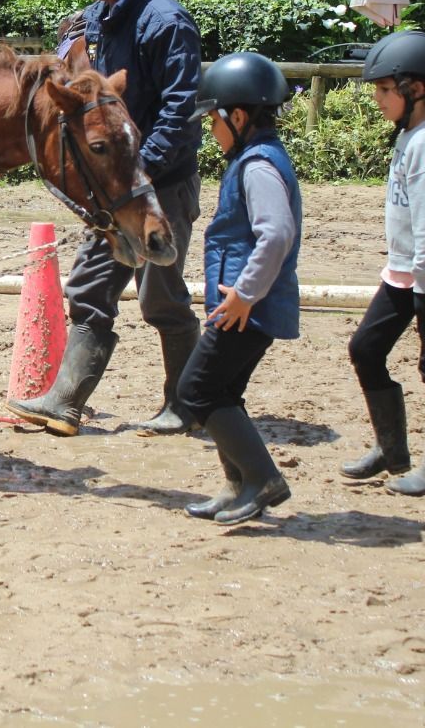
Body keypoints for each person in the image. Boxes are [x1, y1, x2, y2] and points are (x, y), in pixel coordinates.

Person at [7, 0, 203, 436]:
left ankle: (188, 403)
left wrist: (138, 172)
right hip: (115, 185)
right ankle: (65, 402)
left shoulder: (167, 22)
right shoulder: (95, 19)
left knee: (160, 293)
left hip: (158, 182)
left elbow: (181, 111)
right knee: (91, 284)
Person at [341, 30, 425, 495]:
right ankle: (392, 450)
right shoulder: (410, 136)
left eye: (383, 89)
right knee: (366, 349)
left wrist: (423, 288)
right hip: (406, 272)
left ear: (414, 90)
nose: (377, 99)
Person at [177, 53, 300, 525]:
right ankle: (238, 483)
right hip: (244, 305)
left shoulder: (257, 166)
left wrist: (245, 293)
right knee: (223, 391)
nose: (212, 131)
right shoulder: (253, 159)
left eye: (214, 120)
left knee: (197, 391)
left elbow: (277, 233)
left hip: (247, 307)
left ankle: (264, 479)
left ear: (240, 117)